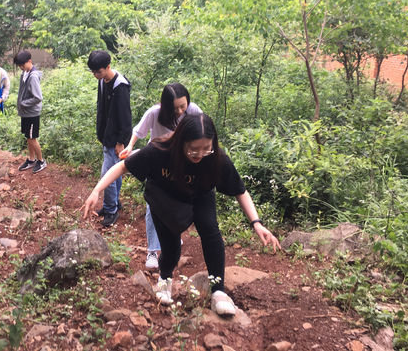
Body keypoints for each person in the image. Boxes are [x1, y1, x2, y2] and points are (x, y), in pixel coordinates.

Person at [82, 113, 280, 315]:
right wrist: (97, 191)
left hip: (200, 196)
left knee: (211, 233)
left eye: (206, 148)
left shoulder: (216, 159)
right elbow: (122, 166)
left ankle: (218, 292)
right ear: (181, 141)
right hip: (165, 197)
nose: (200, 154)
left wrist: (256, 223)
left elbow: (240, 191)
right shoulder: (159, 151)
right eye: (194, 148)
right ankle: (165, 279)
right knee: (171, 248)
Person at [119, 83, 203, 271]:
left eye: (183, 106)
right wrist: (130, 147)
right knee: (153, 205)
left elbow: (203, 130)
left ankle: (172, 237)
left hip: (181, 165)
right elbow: (138, 131)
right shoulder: (154, 113)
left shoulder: (193, 111)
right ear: (165, 105)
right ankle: (152, 251)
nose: (180, 111)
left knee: (176, 202)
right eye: (175, 108)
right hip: (157, 163)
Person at [87, 50, 132, 227]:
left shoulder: (120, 86)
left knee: (107, 174)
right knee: (115, 172)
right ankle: (114, 203)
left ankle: (111, 210)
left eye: (98, 71)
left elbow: (125, 117)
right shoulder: (102, 81)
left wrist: (121, 142)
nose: (95, 75)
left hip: (116, 139)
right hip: (106, 135)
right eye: (93, 72)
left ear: (108, 67)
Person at [14, 50, 47, 173]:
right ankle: (32, 159)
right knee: (28, 137)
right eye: (19, 66)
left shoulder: (32, 76)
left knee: (32, 138)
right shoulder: (25, 73)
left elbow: (38, 97)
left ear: (29, 61)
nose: (21, 68)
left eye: (22, 65)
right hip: (26, 113)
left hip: (32, 113)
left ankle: (41, 161)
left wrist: (23, 103)